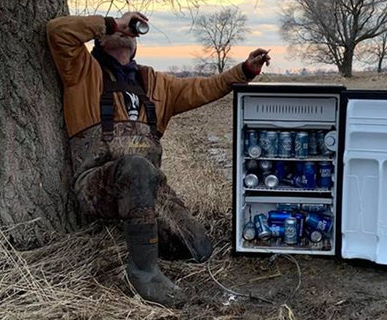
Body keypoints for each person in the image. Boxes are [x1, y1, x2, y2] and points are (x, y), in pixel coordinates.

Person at [46, 12, 270, 306]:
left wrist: (244, 71)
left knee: (198, 247)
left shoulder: (155, 83)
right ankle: (143, 272)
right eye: (118, 30)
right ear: (99, 39)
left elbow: (204, 87)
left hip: (150, 187)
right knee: (136, 167)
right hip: (97, 183)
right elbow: (56, 31)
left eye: (131, 32)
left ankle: (139, 236)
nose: (126, 33)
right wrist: (113, 23)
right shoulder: (82, 70)